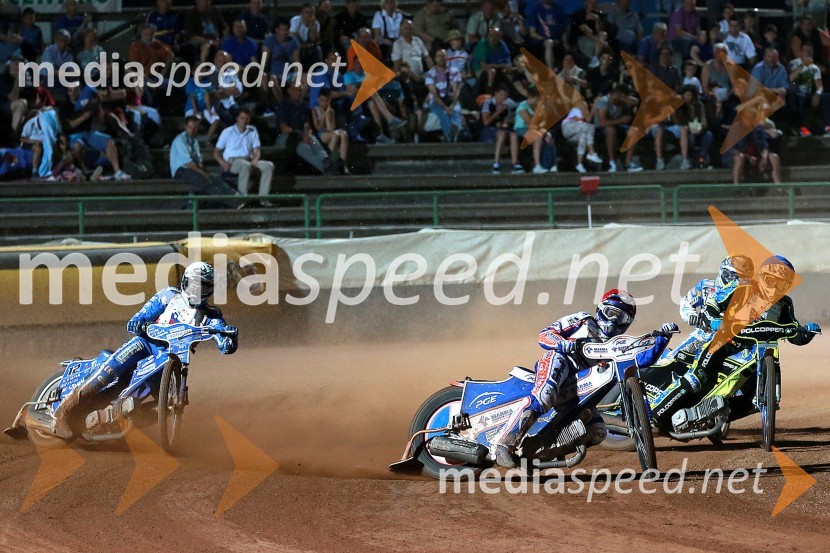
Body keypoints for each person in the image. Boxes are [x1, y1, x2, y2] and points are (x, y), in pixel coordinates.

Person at [492, 289, 677, 468]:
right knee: (544, 396)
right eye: (611, 313)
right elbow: (545, 334)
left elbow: (641, 360)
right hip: (562, 360)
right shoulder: (582, 320)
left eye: (622, 318)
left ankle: (535, 452)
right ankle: (503, 443)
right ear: (600, 310)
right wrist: (562, 343)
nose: (614, 321)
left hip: (582, 385)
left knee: (598, 431)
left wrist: (663, 338)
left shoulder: (618, 344)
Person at [52, 262, 238, 439]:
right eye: (194, 284)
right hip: (145, 344)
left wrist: (229, 339)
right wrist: (138, 322)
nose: (197, 290)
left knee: (164, 407)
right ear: (185, 282)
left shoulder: (212, 315)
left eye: (203, 287)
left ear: (210, 290)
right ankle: (64, 412)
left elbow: (224, 340)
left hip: (172, 359)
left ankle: (111, 420)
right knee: (109, 371)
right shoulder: (169, 295)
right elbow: (141, 316)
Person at [650, 256, 820, 432]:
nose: (776, 287)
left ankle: (712, 415)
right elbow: (712, 306)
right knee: (698, 378)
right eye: (773, 280)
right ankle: (653, 414)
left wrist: (806, 334)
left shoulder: (785, 303)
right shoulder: (742, 286)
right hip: (725, 343)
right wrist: (714, 321)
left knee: (751, 400)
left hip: (755, 352)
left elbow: (793, 332)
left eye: (783, 283)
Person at [170, 116, 240, 207]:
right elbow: (189, 164)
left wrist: (205, 171)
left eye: (195, 128)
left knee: (214, 177)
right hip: (181, 170)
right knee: (206, 182)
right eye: (190, 127)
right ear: (185, 127)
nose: (192, 130)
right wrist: (204, 174)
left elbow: (199, 161)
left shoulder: (194, 140)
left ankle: (235, 196)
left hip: (192, 169)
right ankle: (232, 203)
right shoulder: (180, 140)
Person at [213, 108, 274, 197]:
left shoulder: (252, 130)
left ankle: (263, 198)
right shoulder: (227, 132)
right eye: (242, 118)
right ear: (237, 118)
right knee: (245, 165)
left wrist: (254, 161)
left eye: (247, 118)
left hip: (248, 160)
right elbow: (216, 151)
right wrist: (222, 163)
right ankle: (241, 197)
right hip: (233, 161)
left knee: (268, 166)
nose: (244, 121)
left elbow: (256, 150)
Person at [424, 48, 464, 143]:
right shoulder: (430, 74)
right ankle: (452, 134)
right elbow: (435, 94)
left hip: (451, 100)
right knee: (442, 112)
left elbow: (456, 91)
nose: (441, 58)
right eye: (439, 56)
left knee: (456, 110)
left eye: (443, 55)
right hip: (437, 101)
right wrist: (445, 108)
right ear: (435, 58)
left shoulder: (454, 71)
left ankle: (454, 133)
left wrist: (452, 105)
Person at [513, 87, 556, 173]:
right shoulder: (522, 106)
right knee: (538, 138)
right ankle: (537, 165)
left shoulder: (541, 106)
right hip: (522, 129)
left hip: (536, 129)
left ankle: (550, 165)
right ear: (536, 98)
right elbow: (529, 123)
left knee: (548, 137)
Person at [480, 86, 519, 173]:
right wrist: (498, 112)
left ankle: (515, 163)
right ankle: (496, 162)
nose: (503, 97)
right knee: (501, 134)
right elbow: (486, 122)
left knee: (513, 135)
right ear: (496, 94)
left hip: (504, 129)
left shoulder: (509, 103)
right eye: (501, 95)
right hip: (488, 130)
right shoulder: (488, 103)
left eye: (505, 95)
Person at [312, 88, 350, 173]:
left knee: (344, 134)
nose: (324, 103)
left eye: (326, 101)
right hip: (321, 134)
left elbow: (331, 128)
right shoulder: (315, 110)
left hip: (329, 133)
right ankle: (328, 162)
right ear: (318, 99)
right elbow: (318, 127)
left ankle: (343, 164)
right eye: (322, 100)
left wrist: (328, 114)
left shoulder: (331, 111)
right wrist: (324, 114)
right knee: (336, 135)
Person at [561, 101, 601, 173]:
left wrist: (593, 109)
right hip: (568, 126)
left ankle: (579, 164)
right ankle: (591, 152)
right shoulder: (582, 103)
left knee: (583, 136)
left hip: (576, 129)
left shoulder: (587, 108)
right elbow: (588, 119)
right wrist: (594, 107)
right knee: (590, 127)